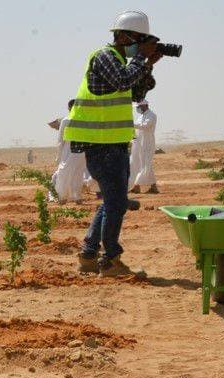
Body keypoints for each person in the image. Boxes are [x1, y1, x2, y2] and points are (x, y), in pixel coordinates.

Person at [68, 11, 164, 277]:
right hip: (101, 144)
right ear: (123, 36)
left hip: (114, 143)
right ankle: (110, 260)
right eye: (140, 39)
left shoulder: (122, 60)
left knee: (113, 201)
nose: (141, 45)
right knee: (116, 203)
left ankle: (88, 255)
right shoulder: (105, 57)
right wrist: (142, 57)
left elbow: (137, 92)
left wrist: (148, 64)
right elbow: (122, 80)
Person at [49, 100, 91, 203]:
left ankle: (62, 197)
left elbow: (60, 140)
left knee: (63, 173)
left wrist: (58, 156)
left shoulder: (66, 121)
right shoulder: (85, 120)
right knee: (78, 173)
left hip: (68, 151)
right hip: (81, 152)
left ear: (69, 109)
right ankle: (76, 197)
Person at [129, 100, 158, 194]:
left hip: (147, 143)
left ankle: (137, 185)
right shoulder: (140, 116)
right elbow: (137, 130)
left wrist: (131, 124)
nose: (138, 109)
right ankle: (154, 187)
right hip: (139, 144)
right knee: (142, 164)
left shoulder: (152, 115)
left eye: (139, 107)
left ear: (145, 106)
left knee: (145, 165)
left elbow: (145, 126)